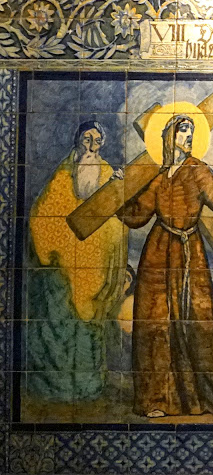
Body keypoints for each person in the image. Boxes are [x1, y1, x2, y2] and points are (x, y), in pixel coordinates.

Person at [118, 114, 213, 418]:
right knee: (155, 325)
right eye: (183, 131)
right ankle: (157, 400)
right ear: (170, 136)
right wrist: (118, 190)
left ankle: (209, 397)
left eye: (191, 132)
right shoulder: (158, 178)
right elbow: (136, 215)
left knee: (200, 322)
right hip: (157, 255)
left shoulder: (198, 171)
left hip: (189, 255)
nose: (188, 136)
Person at [28, 120, 128, 401]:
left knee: (89, 329)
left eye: (97, 141)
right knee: (59, 325)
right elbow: (41, 216)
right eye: (86, 139)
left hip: (95, 267)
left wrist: (117, 189)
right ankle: (56, 389)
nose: (91, 147)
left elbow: (117, 223)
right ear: (77, 140)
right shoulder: (63, 175)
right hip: (61, 269)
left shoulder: (108, 174)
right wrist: (54, 252)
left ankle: (88, 386)